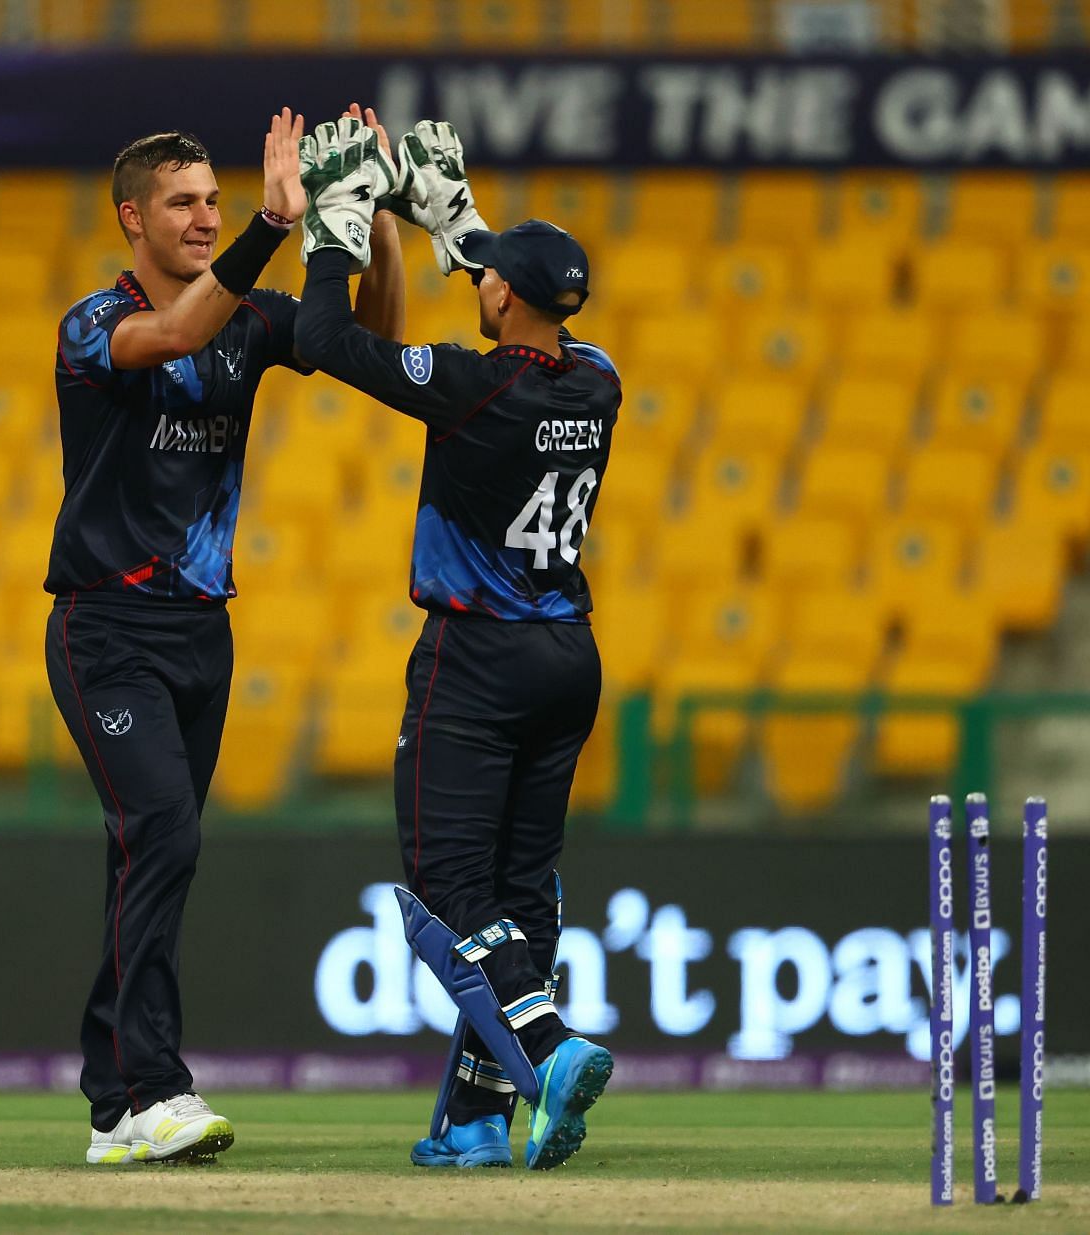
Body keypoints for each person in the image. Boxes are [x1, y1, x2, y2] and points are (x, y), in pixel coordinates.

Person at [46, 108, 406, 1165]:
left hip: (205, 630)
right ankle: (155, 1089)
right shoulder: (93, 321)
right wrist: (270, 223)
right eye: (183, 203)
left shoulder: (252, 316)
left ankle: (114, 1104)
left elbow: (367, 340)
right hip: (107, 627)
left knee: (150, 856)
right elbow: (174, 336)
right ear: (132, 218)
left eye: (212, 200)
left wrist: (372, 216)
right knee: (164, 836)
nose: (203, 218)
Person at [291, 120, 621, 1171]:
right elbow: (512, 298)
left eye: (489, 280)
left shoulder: (475, 388)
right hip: (570, 654)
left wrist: (340, 226)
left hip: (476, 660)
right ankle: (475, 1121)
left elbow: (325, 343)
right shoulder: (597, 379)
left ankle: (548, 1046)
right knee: (525, 890)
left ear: (503, 300)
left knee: (446, 888)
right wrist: (453, 221)